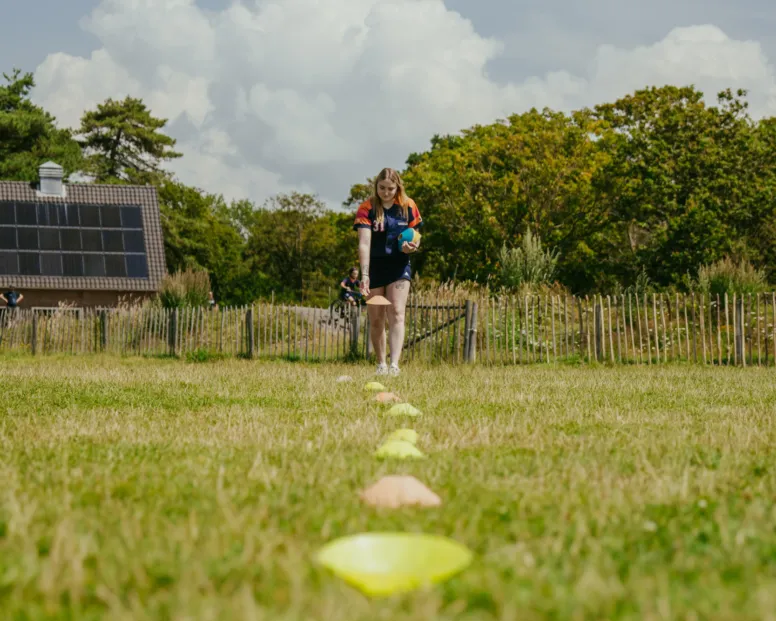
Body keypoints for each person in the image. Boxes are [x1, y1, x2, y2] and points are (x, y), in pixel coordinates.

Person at [353, 167, 422, 376]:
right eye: (381, 188)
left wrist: (413, 246)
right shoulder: (367, 208)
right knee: (376, 318)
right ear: (376, 187)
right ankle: (381, 363)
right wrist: (365, 275)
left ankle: (394, 365)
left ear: (397, 187)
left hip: (399, 266)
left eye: (390, 188)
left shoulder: (408, 206)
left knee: (397, 313)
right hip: (375, 268)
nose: (385, 192)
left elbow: (416, 236)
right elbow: (364, 243)